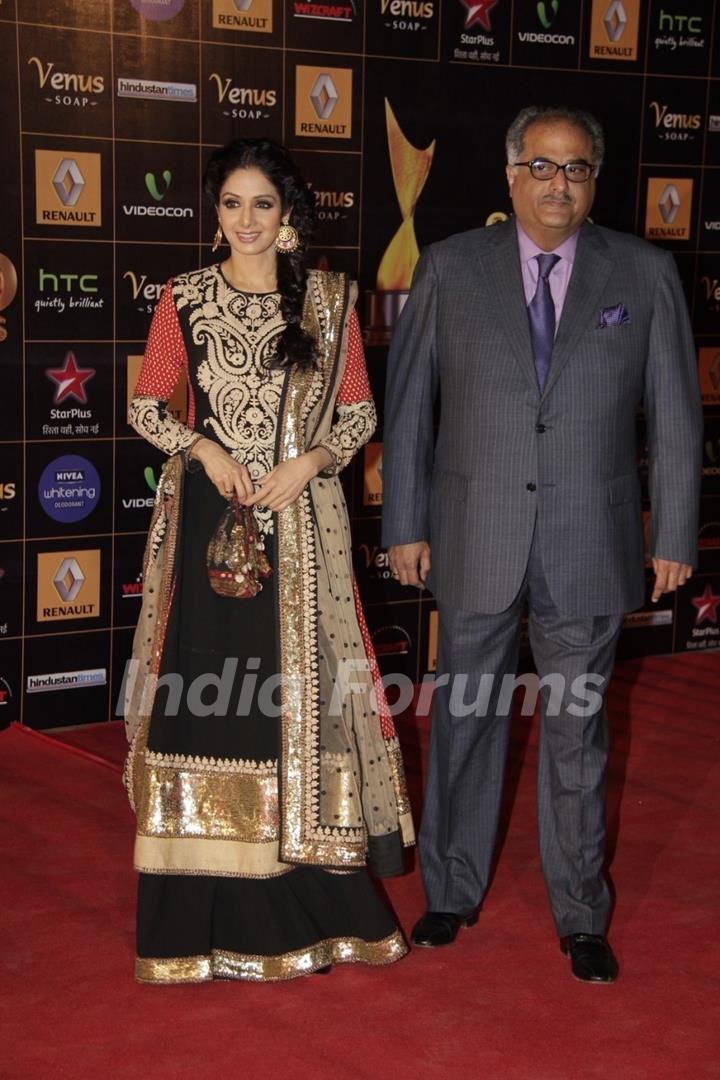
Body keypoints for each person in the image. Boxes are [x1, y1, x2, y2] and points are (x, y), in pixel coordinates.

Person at [382, 105, 702, 983]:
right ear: (511, 175)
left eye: (576, 169)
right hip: (474, 534)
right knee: (465, 719)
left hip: (589, 540)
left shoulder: (642, 271)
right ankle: (448, 894)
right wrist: (403, 522)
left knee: (577, 732)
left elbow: (676, 414)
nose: (559, 184)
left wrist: (672, 530)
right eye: (542, 166)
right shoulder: (449, 269)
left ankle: (580, 915)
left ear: (593, 180)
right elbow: (409, 410)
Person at [125, 138, 414, 983]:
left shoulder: (327, 301)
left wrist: (309, 463)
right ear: (214, 213)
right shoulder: (182, 298)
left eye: (261, 204)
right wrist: (204, 450)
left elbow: (358, 413)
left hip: (301, 526)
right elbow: (147, 403)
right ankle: (193, 920)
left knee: (292, 700)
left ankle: (309, 903)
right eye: (230, 204)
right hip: (214, 522)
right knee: (203, 697)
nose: (245, 221)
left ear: (287, 214)